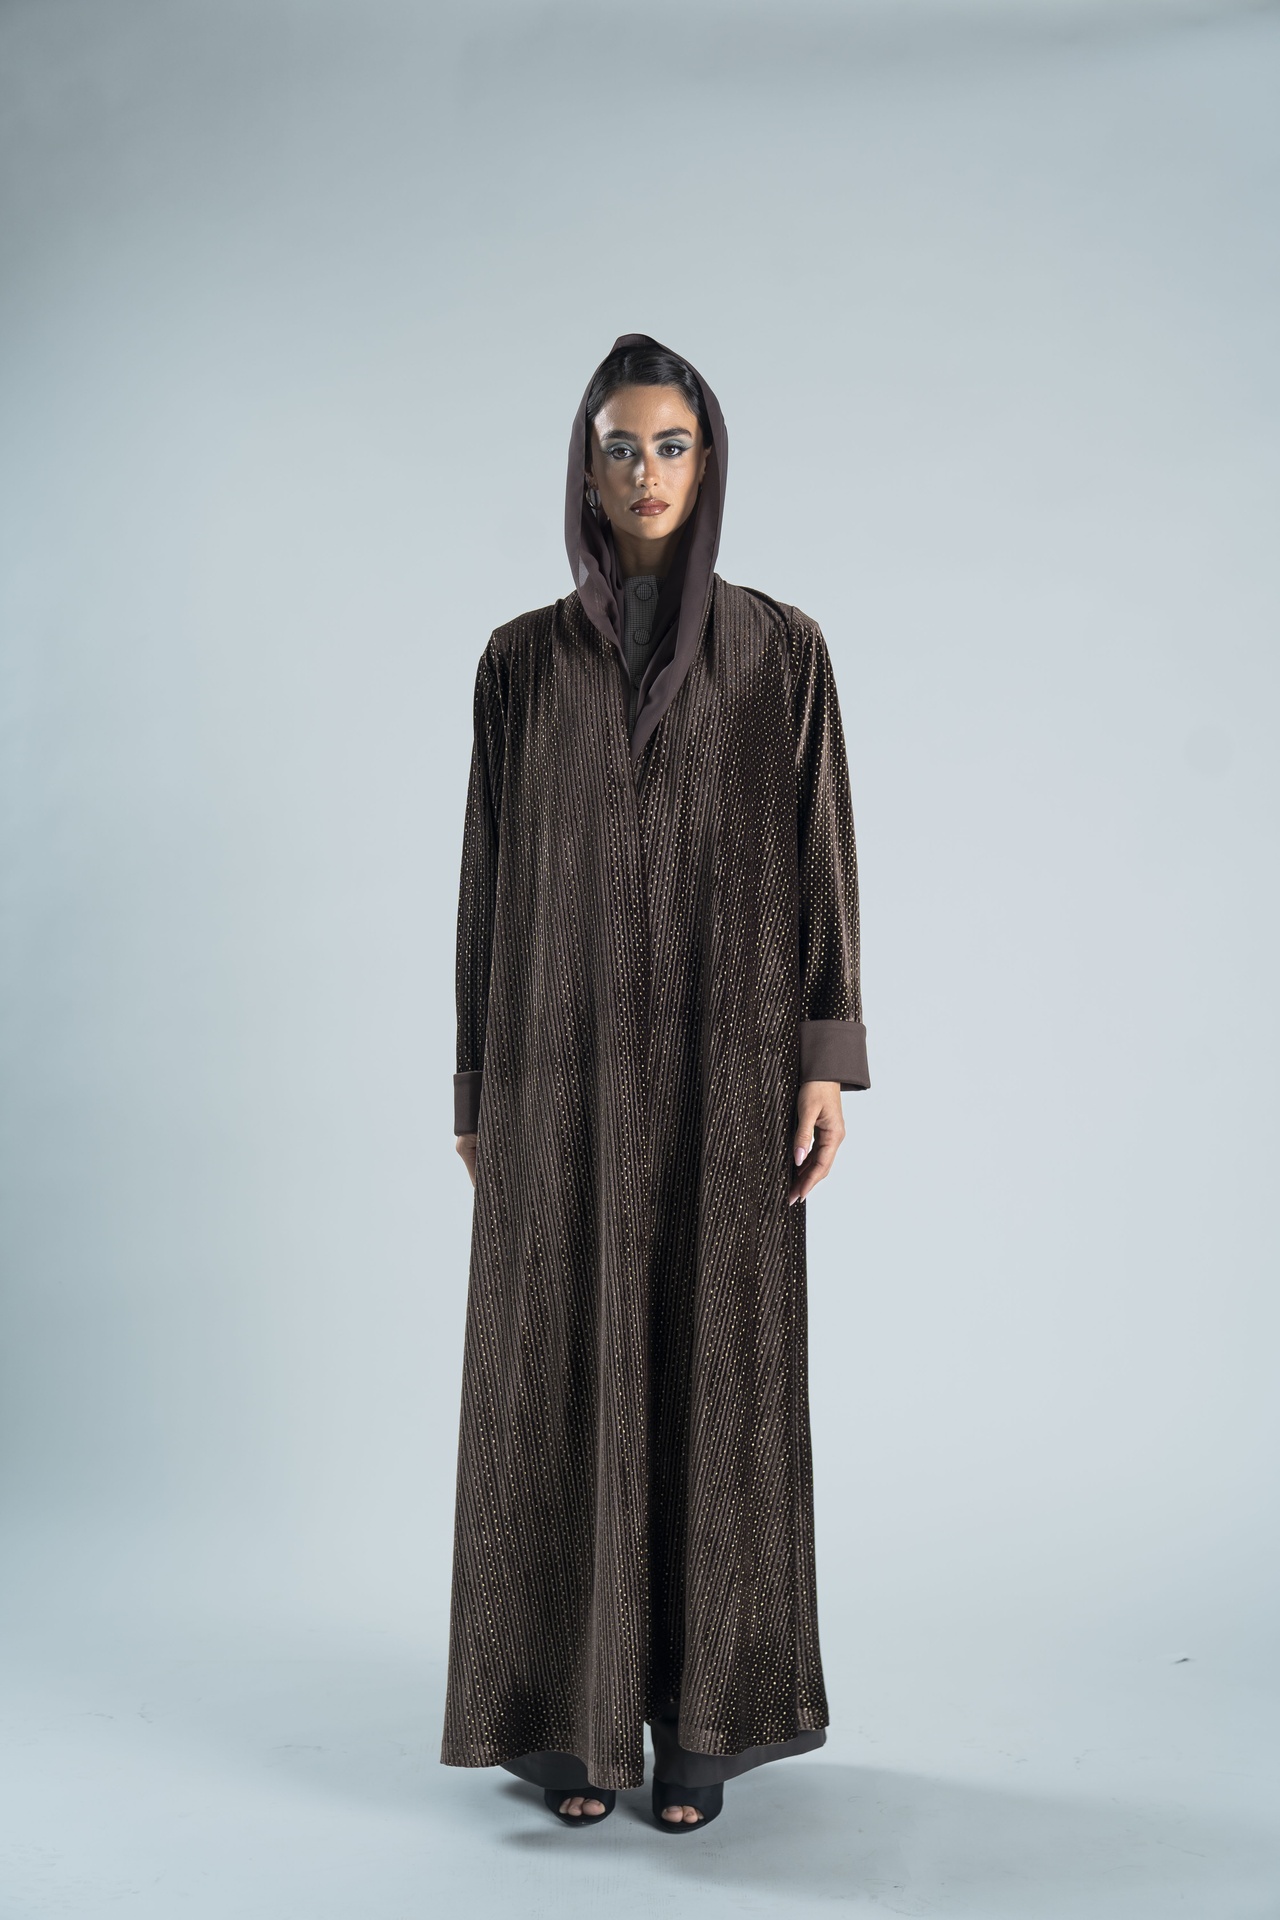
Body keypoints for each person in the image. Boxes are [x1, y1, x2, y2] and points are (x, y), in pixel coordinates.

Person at [441, 334, 869, 1833]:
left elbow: (822, 861)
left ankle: (700, 1733)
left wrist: (824, 1063)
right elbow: (488, 884)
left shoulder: (783, 652)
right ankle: (568, 1735)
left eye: (672, 445)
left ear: (710, 460)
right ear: (584, 465)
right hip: (557, 1084)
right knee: (555, 1374)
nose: (646, 473)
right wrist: (478, 1085)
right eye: (619, 446)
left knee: (716, 1373)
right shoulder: (519, 664)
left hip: (722, 1072)